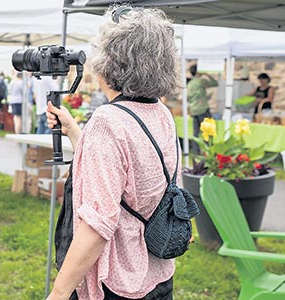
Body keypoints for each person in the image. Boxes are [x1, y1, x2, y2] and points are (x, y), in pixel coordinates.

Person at [46, 7, 179, 300]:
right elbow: (122, 177)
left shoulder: (108, 122)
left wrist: (58, 292)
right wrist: (73, 130)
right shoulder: (161, 113)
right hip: (156, 274)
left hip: (117, 283)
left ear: (110, 62)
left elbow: (96, 228)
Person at [187, 64, 217, 154]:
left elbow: (189, 98)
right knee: (208, 131)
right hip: (203, 109)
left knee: (195, 133)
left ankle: (196, 152)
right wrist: (207, 74)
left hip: (194, 110)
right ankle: (209, 151)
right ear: (198, 71)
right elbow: (215, 83)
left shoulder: (190, 84)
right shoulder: (201, 81)